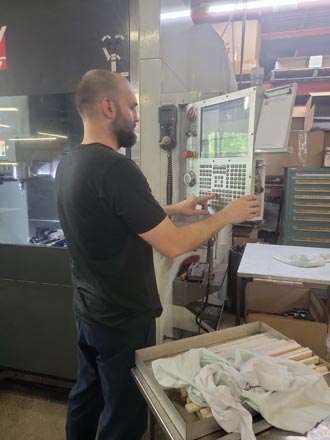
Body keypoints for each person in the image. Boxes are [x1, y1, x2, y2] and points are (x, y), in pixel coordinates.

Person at [55, 69, 259, 440]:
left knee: (87, 395)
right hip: (123, 317)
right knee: (125, 413)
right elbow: (174, 245)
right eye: (131, 106)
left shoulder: (71, 162)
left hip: (88, 311)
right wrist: (228, 215)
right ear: (107, 106)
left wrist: (174, 208)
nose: (136, 115)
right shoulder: (117, 168)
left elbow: (113, 213)